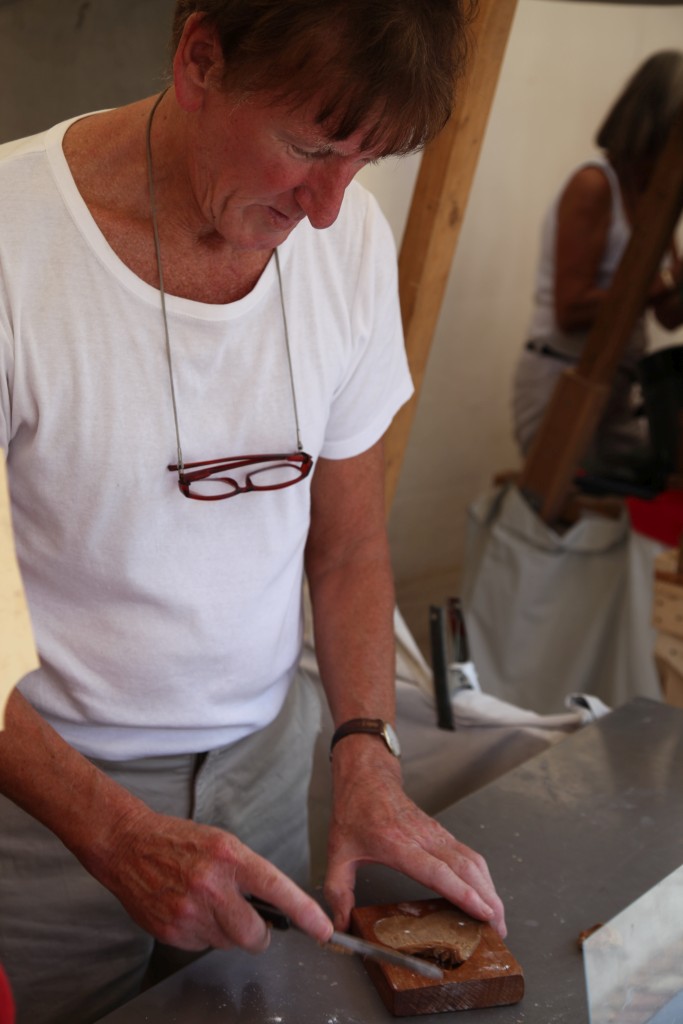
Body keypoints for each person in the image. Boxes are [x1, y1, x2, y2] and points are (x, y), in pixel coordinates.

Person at [0, 2, 506, 1022]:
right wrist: (110, 831)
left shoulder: (346, 237)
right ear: (200, 59)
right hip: (43, 804)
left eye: (363, 163)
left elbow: (348, 544)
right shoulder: (15, 244)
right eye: (309, 148)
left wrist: (365, 754)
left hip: (266, 765)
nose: (326, 208)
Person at [512, 50, 683, 472]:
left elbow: (667, 316)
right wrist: (666, 280)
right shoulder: (594, 185)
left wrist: (674, 286)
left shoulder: (658, 196)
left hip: (617, 386)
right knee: (564, 504)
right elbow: (571, 310)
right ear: (663, 123)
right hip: (562, 381)